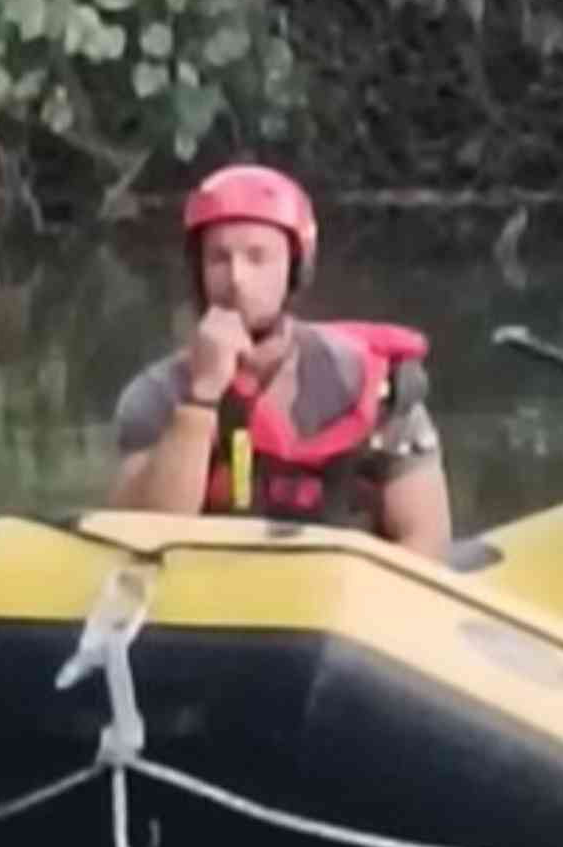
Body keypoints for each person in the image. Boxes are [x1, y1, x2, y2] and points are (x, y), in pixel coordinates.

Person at [107, 164, 452, 557]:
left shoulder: (375, 382)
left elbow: (427, 541)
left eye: (258, 258)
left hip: (339, 601)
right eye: (219, 258)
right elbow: (145, 534)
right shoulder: (159, 392)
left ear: (295, 269)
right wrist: (202, 397)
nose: (236, 279)